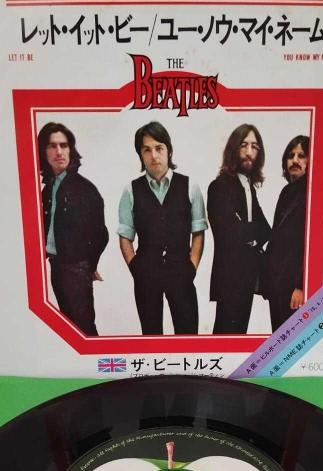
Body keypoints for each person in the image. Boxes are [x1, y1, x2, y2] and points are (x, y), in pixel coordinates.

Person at [117, 121, 207, 335]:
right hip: (146, 274)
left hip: (181, 272)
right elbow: (125, 234)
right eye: (146, 150)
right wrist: (135, 268)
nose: (154, 155)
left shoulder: (190, 186)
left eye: (159, 148)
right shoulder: (131, 190)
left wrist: (191, 267)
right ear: (140, 155)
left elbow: (198, 231)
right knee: (151, 336)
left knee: (187, 335)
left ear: (169, 151)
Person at [38, 122, 108, 336]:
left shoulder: (84, 188)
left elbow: (100, 234)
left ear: (71, 150)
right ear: (43, 151)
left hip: (75, 269)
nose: (59, 152)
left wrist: (88, 265)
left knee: (84, 328)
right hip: (56, 265)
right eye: (52, 146)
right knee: (68, 328)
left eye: (64, 145)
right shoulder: (48, 189)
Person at [207, 124, 271, 334]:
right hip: (229, 277)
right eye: (244, 145)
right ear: (233, 148)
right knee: (224, 337)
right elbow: (230, 234)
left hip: (249, 276)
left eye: (254, 146)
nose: (249, 152)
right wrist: (248, 233)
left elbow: (266, 230)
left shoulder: (249, 187)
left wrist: (247, 232)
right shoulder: (219, 187)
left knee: (238, 336)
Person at [260, 135, 309, 332]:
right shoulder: (286, 192)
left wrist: (301, 285)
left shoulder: (312, 193)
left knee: (294, 339)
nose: (295, 160)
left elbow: (310, 244)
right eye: (291, 156)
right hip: (277, 284)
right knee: (279, 338)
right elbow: (277, 238)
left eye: (301, 155)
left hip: (294, 286)